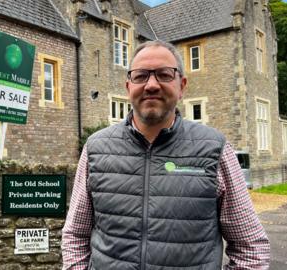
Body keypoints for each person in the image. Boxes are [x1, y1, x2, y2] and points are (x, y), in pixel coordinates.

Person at [61, 40, 270, 270]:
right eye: (141, 75)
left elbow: (251, 248)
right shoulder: (95, 148)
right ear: (128, 86)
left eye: (164, 74)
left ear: (182, 86)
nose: (151, 85)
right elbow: (75, 235)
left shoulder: (215, 149)